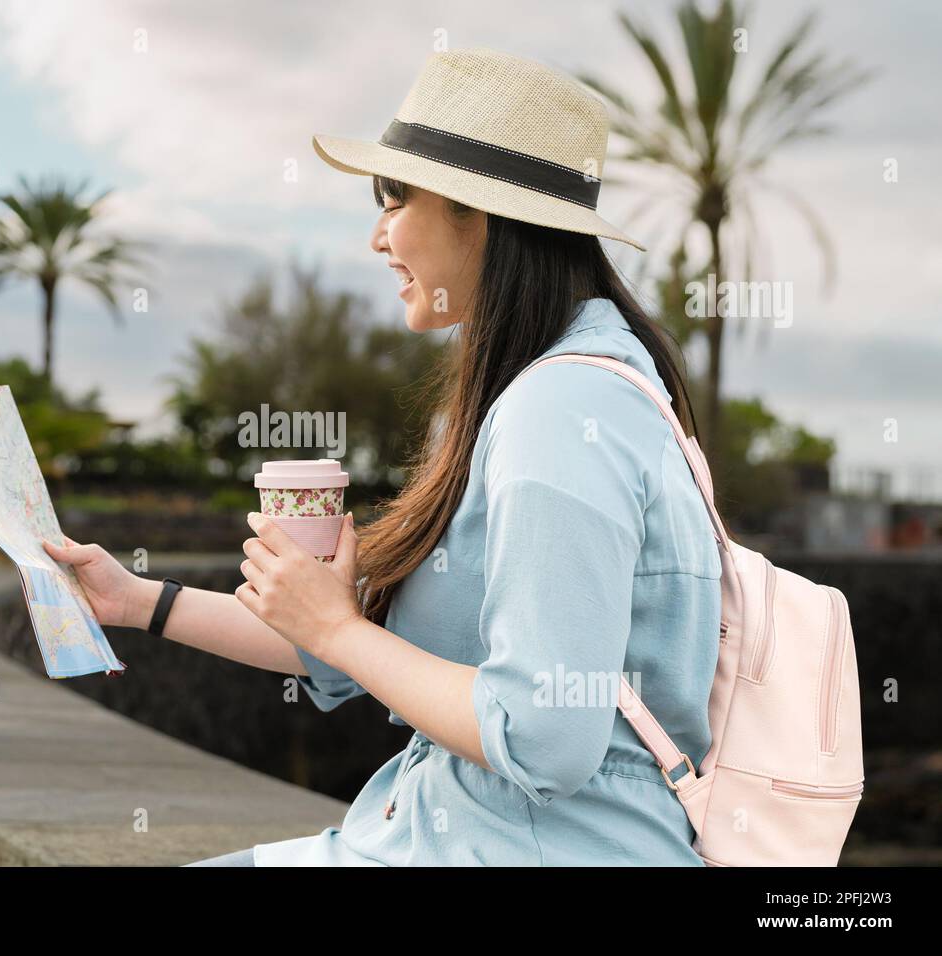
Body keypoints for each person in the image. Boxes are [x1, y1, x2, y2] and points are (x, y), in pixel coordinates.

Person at [45, 48, 721, 866]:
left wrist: (336, 629)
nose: (377, 237)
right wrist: (135, 600)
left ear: (479, 213)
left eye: (393, 199)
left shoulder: (563, 409)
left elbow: (547, 735)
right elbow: (362, 633)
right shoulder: (552, 392)